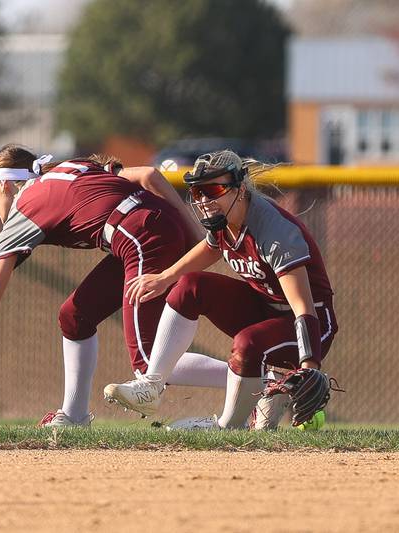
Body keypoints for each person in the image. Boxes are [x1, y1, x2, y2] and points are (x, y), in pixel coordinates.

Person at [0, 144, 229, 426]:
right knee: (75, 315)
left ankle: (258, 380)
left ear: (4, 185)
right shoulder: (72, 167)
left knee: (148, 365)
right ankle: (73, 415)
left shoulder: (21, 214)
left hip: (140, 237)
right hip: (146, 229)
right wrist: (198, 238)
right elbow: (150, 178)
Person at [103, 150, 338, 430]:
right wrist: (165, 278)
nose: (204, 200)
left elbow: (303, 308)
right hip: (266, 311)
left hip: (309, 326)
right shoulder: (224, 219)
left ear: (240, 189)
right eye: (198, 191)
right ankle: (151, 387)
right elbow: (210, 247)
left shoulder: (274, 232)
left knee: (246, 344)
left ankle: (228, 426)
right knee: (190, 286)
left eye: (213, 189)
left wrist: (309, 365)